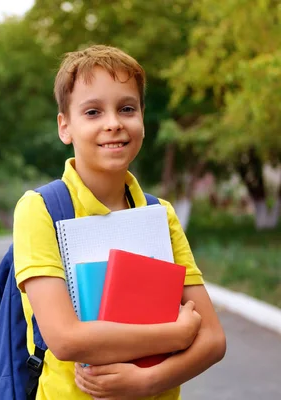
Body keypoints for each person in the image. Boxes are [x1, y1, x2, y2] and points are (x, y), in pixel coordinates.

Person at [12, 45, 226, 400]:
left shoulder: (160, 214)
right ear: (65, 127)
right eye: (93, 111)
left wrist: (146, 383)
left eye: (127, 108)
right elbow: (65, 339)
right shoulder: (41, 210)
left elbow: (214, 340)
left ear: (142, 117)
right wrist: (176, 334)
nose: (113, 122)